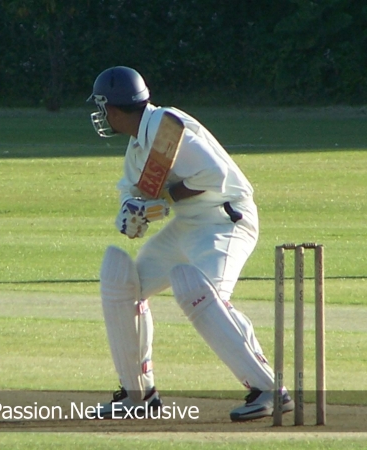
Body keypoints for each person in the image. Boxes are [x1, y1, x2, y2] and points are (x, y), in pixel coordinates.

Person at [88, 66, 294, 422]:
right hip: (188, 226)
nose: (101, 116)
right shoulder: (139, 144)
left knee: (200, 293)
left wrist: (165, 200)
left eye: (103, 108)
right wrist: (131, 213)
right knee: (122, 281)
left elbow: (215, 174)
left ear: (117, 110)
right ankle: (139, 395)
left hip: (223, 221)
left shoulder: (167, 128)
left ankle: (269, 389)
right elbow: (133, 191)